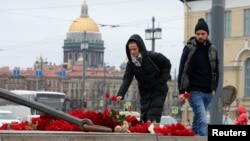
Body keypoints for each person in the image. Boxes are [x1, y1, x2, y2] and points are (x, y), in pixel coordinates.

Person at [116, 34, 171, 123]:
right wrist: (120, 94)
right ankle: (146, 130)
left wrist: (162, 80)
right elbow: (127, 79)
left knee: (153, 112)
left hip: (158, 89)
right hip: (145, 91)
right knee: (144, 114)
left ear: (140, 48)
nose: (132, 52)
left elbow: (167, 63)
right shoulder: (131, 64)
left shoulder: (151, 56)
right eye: (130, 50)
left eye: (134, 49)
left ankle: (152, 129)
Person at [178, 18, 219, 136]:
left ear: (207, 34)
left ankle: (191, 136)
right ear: (195, 34)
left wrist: (214, 87)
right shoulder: (189, 49)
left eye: (203, 34)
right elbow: (182, 70)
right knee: (202, 120)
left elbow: (216, 70)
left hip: (208, 93)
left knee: (197, 122)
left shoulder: (212, 50)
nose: (200, 36)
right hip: (194, 91)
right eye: (198, 34)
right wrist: (181, 91)